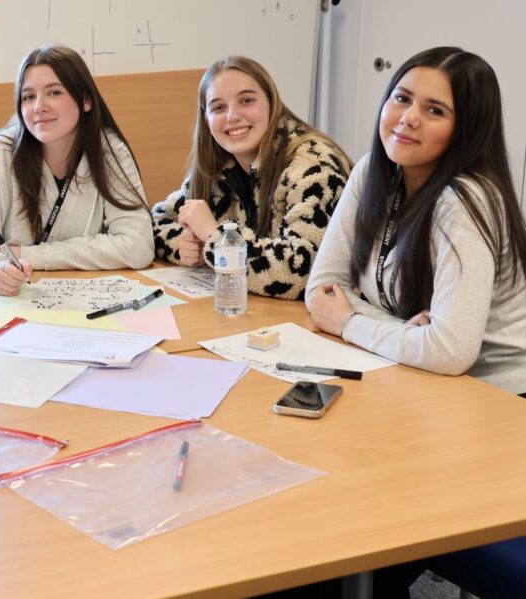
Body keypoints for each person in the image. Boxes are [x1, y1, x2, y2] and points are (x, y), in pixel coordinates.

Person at [306, 46, 526, 398]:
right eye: (401, 98)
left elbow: (451, 352)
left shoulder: (467, 200)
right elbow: (323, 291)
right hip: (423, 376)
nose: (408, 117)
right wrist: (408, 335)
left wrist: (348, 322)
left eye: (434, 110)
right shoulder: (371, 173)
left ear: (467, 129)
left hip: (499, 396)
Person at [0, 44, 154, 296]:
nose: (38, 107)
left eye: (54, 92)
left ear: (85, 99)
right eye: (28, 96)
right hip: (15, 301)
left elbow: (138, 246)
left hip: (86, 302)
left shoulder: (109, 152)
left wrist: (32, 255)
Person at [152, 56, 352, 300]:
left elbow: (298, 272)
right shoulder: (221, 163)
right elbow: (154, 224)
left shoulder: (313, 165)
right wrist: (187, 247)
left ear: (271, 103)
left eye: (246, 101)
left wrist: (216, 239)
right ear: (207, 119)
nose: (232, 116)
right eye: (218, 108)